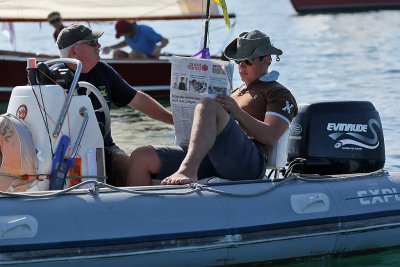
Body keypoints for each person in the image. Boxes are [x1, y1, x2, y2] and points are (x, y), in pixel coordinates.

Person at [126, 30, 298, 186]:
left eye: (248, 61)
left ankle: (188, 169)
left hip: (248, 163)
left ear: (266, 60)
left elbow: (271, 136)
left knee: (208, 104)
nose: (241, 67)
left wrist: (236, 111)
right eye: (238, 61)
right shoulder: (236, 91)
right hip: (212, 156)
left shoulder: (278, 92)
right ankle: (138, 214)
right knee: (142, 156)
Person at [54, 23, 173, 186]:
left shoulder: (102, 70)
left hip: (105, 147)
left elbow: (136, 99)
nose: (99, 45)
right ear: (75, 50)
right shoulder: (49, 77)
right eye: (92, 42)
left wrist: (174, 121)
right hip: (62, 151)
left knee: (128, 165)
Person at [102, 20, 168, 60]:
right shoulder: (127, 35)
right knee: (117, 53)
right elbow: (126, 42)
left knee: (134, 54)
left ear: (130, 29)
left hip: (150, 58)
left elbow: (165, 40)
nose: (123, 35)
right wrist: (110, 48)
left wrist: (159, 47)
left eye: (124, 33)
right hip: (135, 58)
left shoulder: (145, 30)